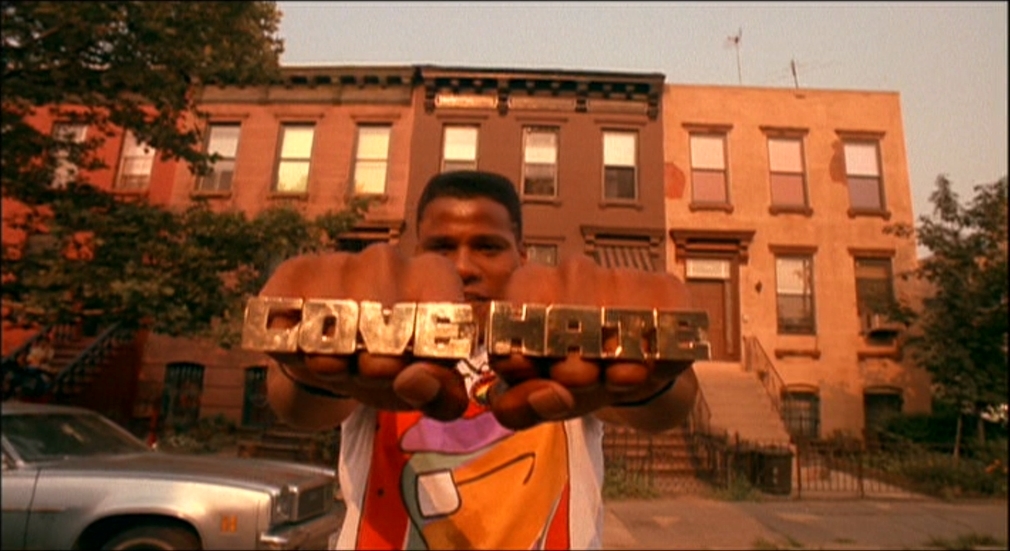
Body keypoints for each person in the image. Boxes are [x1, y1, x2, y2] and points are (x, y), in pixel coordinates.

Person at [258, 170, 701, 550]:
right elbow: (295, 402)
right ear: (413, 260)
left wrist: (651, 375)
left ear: (522, 258)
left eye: (488, 247)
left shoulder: (553, 349)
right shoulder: (386, 342)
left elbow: (668, 403)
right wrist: (312, 359)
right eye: (442, 249)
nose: (463, 267)